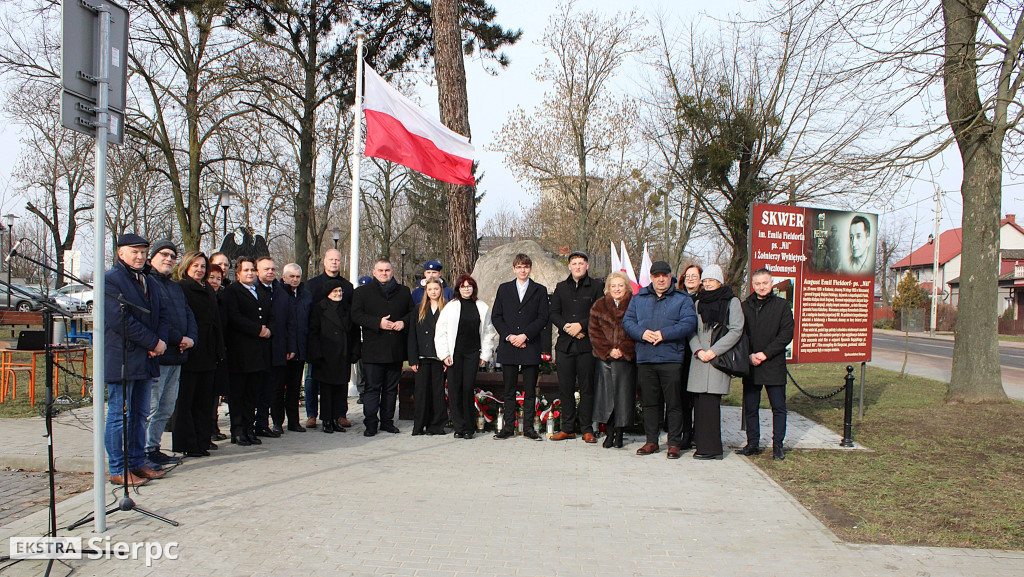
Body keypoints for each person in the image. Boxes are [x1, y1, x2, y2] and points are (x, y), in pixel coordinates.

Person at [104, 233, 167, 485]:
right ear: (121, 253)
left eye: (143, 251)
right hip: (123, 357)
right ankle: (118, 469)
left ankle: (138, 463)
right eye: (134, 251)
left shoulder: (149, 280)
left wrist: (159, 343)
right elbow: (120, 320)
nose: (140, 256)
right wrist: (152, 342)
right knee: (119, 415)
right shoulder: (112, 280)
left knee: (140, 414)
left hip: (147, 357)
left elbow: (161, 314)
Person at [622, 260, 697, 459]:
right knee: (650, 403)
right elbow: (628, 322)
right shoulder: (639, 298)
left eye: (664, 275)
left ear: (670, 277)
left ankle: (674, 443)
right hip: (646, 358)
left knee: (674, 403)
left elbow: (689, 323)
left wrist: (664, 334)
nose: (661, 279)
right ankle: (652, 441)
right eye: (657, 276)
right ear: (652, 277)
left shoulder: (681, 298)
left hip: (671, 357)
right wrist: (642, 333)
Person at [144, 239, 197, 470]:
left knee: (167, 407)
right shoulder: (147, 283)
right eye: (163, 254)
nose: (168, 259)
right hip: (160, 356)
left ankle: (154, 448)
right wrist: (178, 339)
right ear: (152, 257)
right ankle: (144, 450)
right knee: (152, 407)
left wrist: (191, 338)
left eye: (172, 256)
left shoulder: (175, 287)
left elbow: (188, 315)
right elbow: (158, 319)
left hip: (178, 356)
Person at [687, 264, 745, 460]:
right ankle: (701, 446)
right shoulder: (698, 303)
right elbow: (691, 330)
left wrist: (713, 351)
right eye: (705, 281)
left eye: (711, 280)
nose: (708, 284)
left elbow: (736, 330)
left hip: (717, 359)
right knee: (700, 405)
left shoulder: (732, 301)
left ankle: (712, 449)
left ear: (720, 281)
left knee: (711, 405)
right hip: (699, 359)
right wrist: (698, 350)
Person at [351, 258, 414, 436]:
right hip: (373, 350)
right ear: (374, 272)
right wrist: (377, 323)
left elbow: (412, 313)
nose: (384, 273)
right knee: (372, 388)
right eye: (380, 270)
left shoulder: (403, 291)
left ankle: (387, 422)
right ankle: (371, 423)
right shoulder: (363, 292)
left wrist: (403, 322)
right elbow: (356, 315)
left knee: (391, 389)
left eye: (387, 270)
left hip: (395, 349)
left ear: (392, 272)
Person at [491, 253, 550, 441]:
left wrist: (525, 335)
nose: (522, 270)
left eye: (525, 266)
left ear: (530, 268)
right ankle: (508, 427)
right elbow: (496, 316)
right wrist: (510, 336)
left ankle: (529, 429)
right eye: (519, 267)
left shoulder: (539, 290)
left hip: (529, 345)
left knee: (530, 390)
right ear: (514, 269)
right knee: (508, 389)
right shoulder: (504, 289)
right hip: (509, 346)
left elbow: (543, 317)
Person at [739, 268, 795, 460]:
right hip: (751, 364)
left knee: (778, 407)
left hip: (773, 364)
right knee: (750, 407)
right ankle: (752, 443)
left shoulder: (782, 306)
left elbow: (786, 334)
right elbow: (739, 333)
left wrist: (765, 354)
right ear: (752, 285)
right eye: (758, 284)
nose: (762, 287)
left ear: (771, 283)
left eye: (765, 283)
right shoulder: (745, 306)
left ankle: (778, 445)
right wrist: (749, 355)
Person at [549, 251, 604, 443]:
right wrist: (567, 327)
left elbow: (599, 313)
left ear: (587, 266)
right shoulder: (561, 287)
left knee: (587, 388)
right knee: (565, 388)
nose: (578, 266)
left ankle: (587, 428)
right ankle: (567, 428)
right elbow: (554, 312)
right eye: (574, 263)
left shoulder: (597, 286)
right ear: (569, 266)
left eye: (581, 263)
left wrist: (581, 325)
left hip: (587, 345)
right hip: (565, 346)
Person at [173, 251, 224, 457]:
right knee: (187, 400)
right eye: (195, 266)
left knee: (205, 400)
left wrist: (219, 349)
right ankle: (188, 443)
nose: (200, 270)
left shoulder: (209, 289)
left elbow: (216, 322)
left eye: (203, 266)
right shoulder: (182, 288)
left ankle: (203, 440)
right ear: (186, 266)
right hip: (192, 349)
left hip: (209, 350)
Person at [435, 275, 498, 439]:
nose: (466, 289)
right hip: (454, 354)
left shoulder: (481, 307)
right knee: (455, 389)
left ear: (474, 288)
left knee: (468, 389)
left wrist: (485, 354)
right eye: (463, 286)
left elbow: (488, 333)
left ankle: (469, 427)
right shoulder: (451, 307)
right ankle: (459, 426)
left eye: (469, 286)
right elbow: (440, 332)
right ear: (458, 289)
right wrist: (444, 355)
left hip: (472, 354)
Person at [222, 256, 273, 446]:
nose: (250, 273)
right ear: (237, 273)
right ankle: (237, 430)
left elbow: (270, 313)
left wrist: (269, 329)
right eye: (246, 270)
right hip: (240, 351)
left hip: (258, 352)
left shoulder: (261, 291)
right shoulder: (232, 292)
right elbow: (235, 318)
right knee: (239, 393)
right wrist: (257, 329)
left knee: (252, 393)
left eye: (252, 270)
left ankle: (249, 428)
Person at [304, 249, 355, 429]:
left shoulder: (347, 287)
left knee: (340, 382)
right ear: (324, 261)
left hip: (341, 348)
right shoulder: (312, 285)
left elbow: (351, 319)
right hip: (322, 345)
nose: (334, 262)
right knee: (313, 380)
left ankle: (340, 414)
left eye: (337, 259)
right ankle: (312, 414)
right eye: (330, 259)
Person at [589, 271, 636, 449]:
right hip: (605, 360)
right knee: (606, 398)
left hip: (626, 361)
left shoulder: (635, 305)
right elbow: (595, 333)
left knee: (622, 398)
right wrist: (609, 351)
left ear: (627, 287)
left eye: (620, 285)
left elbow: (637, 330)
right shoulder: (599, 305)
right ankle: (608, 433)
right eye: (613, 285)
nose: (617, 289)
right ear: (608, 288)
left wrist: (623, 349)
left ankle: (620, 434)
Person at [407, 278, 448, 436]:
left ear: (441, 290)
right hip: (422, 357)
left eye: (436, 289)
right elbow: (412, 335)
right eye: (430, 289)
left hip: (439, 357)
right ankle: (419, 426)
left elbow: (450, 335)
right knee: (422, 393)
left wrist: (446, 357)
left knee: (437, 393)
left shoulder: (446, 308)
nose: (433, 292)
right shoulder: (419, 309)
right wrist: (413, 359)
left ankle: (436, 426)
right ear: (426, 291)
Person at [274, 263, 312, 432]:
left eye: (297, 276)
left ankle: (294, 421)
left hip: (300, 348)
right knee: (278, 387)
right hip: (282, 348)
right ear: (284, 277)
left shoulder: (306, 295)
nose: (295, 280)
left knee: (295, 387)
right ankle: (277, 421)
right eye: (291, 276)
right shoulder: (278, 294)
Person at [256, 257, 286, 436]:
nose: (270, 272)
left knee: (271, 389)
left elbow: (285, 319)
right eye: (266, 269)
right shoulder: (254, 290)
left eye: (273, 269)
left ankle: (264, 423)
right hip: (258, 347)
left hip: (276, 347)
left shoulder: (280, 291)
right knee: (256, 390)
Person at [675, 264, 703, 449]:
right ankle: (684, 433)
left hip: (700, 350)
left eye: (694, 276)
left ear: (701, 279)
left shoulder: (705, 298)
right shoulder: (677, 298)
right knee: (683, 396)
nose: (690, 279)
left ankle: (699, 432)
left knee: (698, 397)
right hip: (681, 350)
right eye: (687, 276)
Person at [206, 264, 229, 442]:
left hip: (219, 350)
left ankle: (213, 425)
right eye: (211, 277)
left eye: (218, 279)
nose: (215, 282)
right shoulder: (205, 296)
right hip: (205, 350)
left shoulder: (221, 297)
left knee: (215, 394)